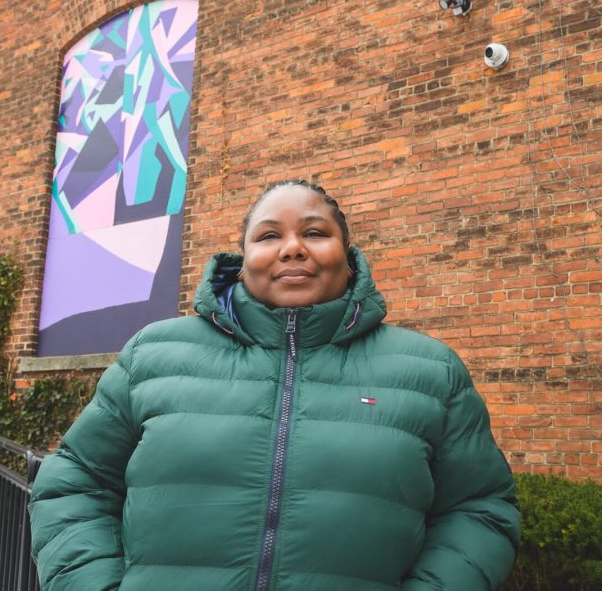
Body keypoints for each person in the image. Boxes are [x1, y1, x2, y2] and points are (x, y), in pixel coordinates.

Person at [29, 179, 521, 590]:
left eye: (315, 232)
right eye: (268, 236)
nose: (292, 248)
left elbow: (480, 508)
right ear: (242, 258)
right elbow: (75, 482)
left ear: (347, 255)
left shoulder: (430, 370)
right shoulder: (152, 355)